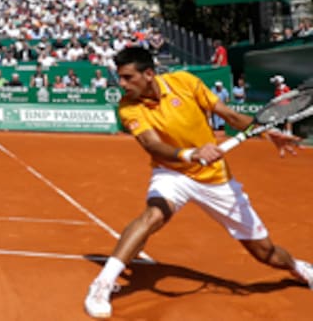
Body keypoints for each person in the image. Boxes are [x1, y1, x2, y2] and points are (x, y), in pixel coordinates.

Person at [84, 46, 310, 318]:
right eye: (120, 77)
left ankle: (298, 268)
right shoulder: (128, 107)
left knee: (266, 253)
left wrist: (269, 134)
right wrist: (191, 154)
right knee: (154, 215)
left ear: (149, 74)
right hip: (172, 173)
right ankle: (102, 284)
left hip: (216, 179)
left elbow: (230, 116)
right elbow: (152, 145)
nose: (122, 84)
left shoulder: (184, 82)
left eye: (128, 77)